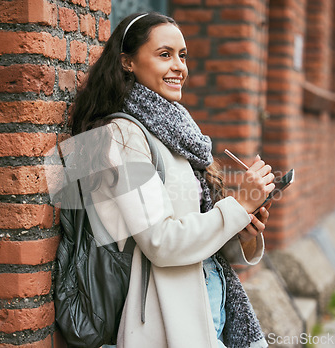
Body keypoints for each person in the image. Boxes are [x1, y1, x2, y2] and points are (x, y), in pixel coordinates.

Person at [68, 12, 275, 348]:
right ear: (128, 63)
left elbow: (200, 235)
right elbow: (161, 242)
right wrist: (238, 205)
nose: (180, 66)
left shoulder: (178, 133)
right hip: (167, 320)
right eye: (164, 55)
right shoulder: (121, 136)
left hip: (209, 305)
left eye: (183, 55)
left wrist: (244, 230)